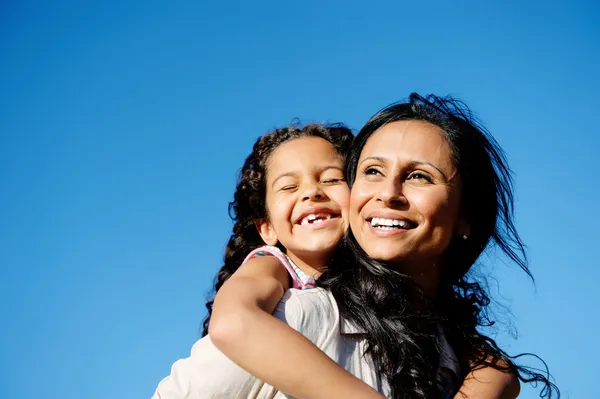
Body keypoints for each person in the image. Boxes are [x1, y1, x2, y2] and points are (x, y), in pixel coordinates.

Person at [154, 110, 538, 398]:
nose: (388, 194)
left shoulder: (448, 346)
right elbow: (233, 326)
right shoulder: (290, 305)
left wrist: (498, 375)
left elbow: (497, 368)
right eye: (373, 171)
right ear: (266, 229)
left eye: (332, 179)